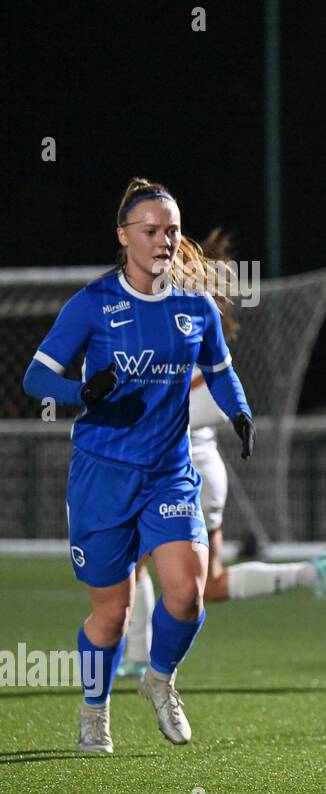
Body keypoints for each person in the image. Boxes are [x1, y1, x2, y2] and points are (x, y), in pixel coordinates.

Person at [21, 178, 255, 753]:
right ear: (124, 236)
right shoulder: (93, 304)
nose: (164, 241)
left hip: (169, 473)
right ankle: (94, 710)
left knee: (188, 593)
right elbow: (35, 377)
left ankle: (160, 681)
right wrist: (84, 391)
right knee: (113, 613)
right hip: (102, 475)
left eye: (172, 230)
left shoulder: (195, 307)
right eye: (151, 231)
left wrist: (242, 412)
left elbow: (220, 372)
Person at [117, 367, 326, 678]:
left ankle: (141, 657)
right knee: (210, 584)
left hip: (181, 478)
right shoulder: (173, 350)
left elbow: (212, 406)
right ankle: (309, 573)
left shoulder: (177, 353)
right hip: (199, 473)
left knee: (126, 562)